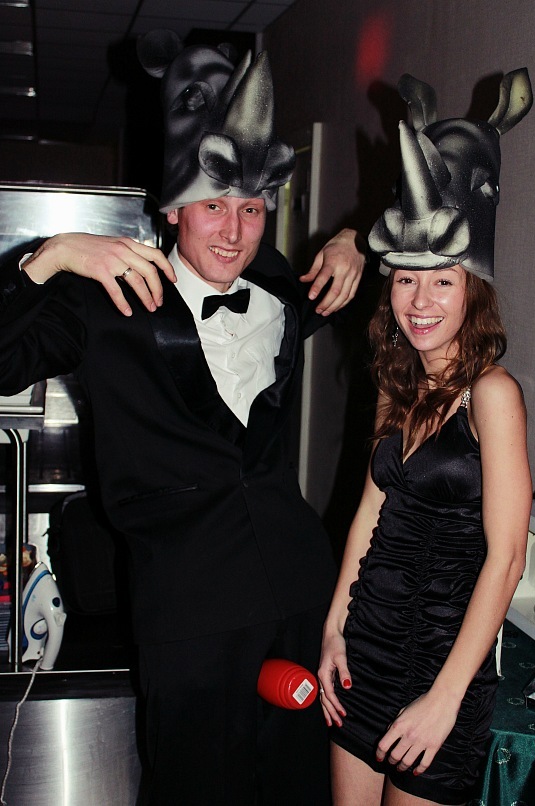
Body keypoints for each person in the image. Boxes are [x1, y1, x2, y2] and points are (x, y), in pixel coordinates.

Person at [0, 35, 367, 805]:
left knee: (299, 786)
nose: (232, 232)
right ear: (171, 209)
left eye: (250, 209)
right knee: (193, 788)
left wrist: (354, 238)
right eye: (212, 207)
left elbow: (421, 269)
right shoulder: (100, 297)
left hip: (299, 590)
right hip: (187, 609)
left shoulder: (279, 286)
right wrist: (51, 254)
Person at [318, 69, 534, 806]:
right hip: (365, 649)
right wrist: (334, 628)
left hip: (443, 665)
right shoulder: (397, 380)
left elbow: (507, 558)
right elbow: (370, 513)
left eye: (443, 280)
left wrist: (446, 697)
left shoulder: (493, 394)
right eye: (407, 278)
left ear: (473, 288)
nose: (420, 300)